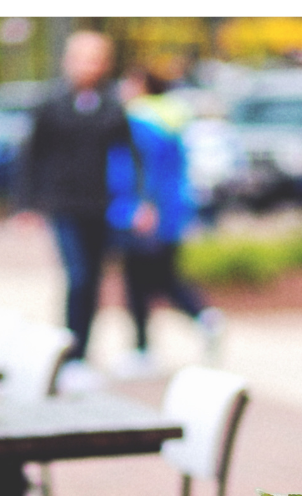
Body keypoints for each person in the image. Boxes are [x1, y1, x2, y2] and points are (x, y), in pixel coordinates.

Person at [11, 31, 148, 393]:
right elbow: (30, 156)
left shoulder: (112, 105)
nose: (89, 65)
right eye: (82, 57)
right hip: (63, 206)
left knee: (95, 281)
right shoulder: (50, 104)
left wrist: (140, 201)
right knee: (80, 276)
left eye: (96, 58)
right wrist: (25, 205)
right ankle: (70, 355)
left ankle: (83, 354)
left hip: (100, 207)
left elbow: (131, 156)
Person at [105, 66, 225, 378]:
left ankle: (142, 350)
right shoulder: (174, 117)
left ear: (142, 85)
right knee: (166, 278)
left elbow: (136, 168)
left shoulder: (138, 121)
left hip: (143, 214)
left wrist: (139, 207)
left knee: (138, 284)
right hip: (172, 212)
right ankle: (204, 318)